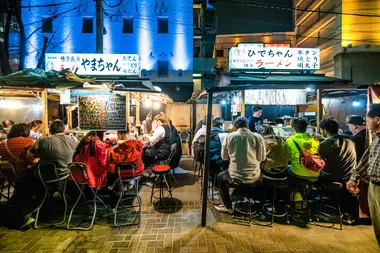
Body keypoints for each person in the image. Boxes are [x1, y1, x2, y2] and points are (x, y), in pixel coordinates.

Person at [215, 116, 266, 214]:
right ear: (247, 125)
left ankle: (227, 205)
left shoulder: (229, 136)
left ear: (235, 126)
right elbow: (262, 158)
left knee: (220, 177)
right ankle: (255, 203)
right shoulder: (258, 137)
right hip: (254, 176)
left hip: (235, 176)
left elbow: (224, 157)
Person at [347, 104, 380, 247]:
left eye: (368, 119)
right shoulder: (376, 139)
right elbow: (365, 160)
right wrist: (353, 178)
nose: (366, 123)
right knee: (377, 226)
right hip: (373, 186)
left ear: (377, 119)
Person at [318, 118, 356, 183]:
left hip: (333, 178)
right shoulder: (349, 140)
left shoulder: (324, 144)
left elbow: (318, 162)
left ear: (324, 131)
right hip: (350, 175)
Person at [286, 117, 321, 182]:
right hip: (315, 173)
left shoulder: (290, 140)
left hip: (298, 173)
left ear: (293, 128)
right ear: (306, 127)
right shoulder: (315, 140)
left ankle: (294, 190)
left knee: (287, 168)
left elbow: (288, 157)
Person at [209, 117, 227, 184]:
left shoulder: (209, 133)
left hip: (209, 162)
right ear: (221, 125)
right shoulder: (222, 135)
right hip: (217, 163)